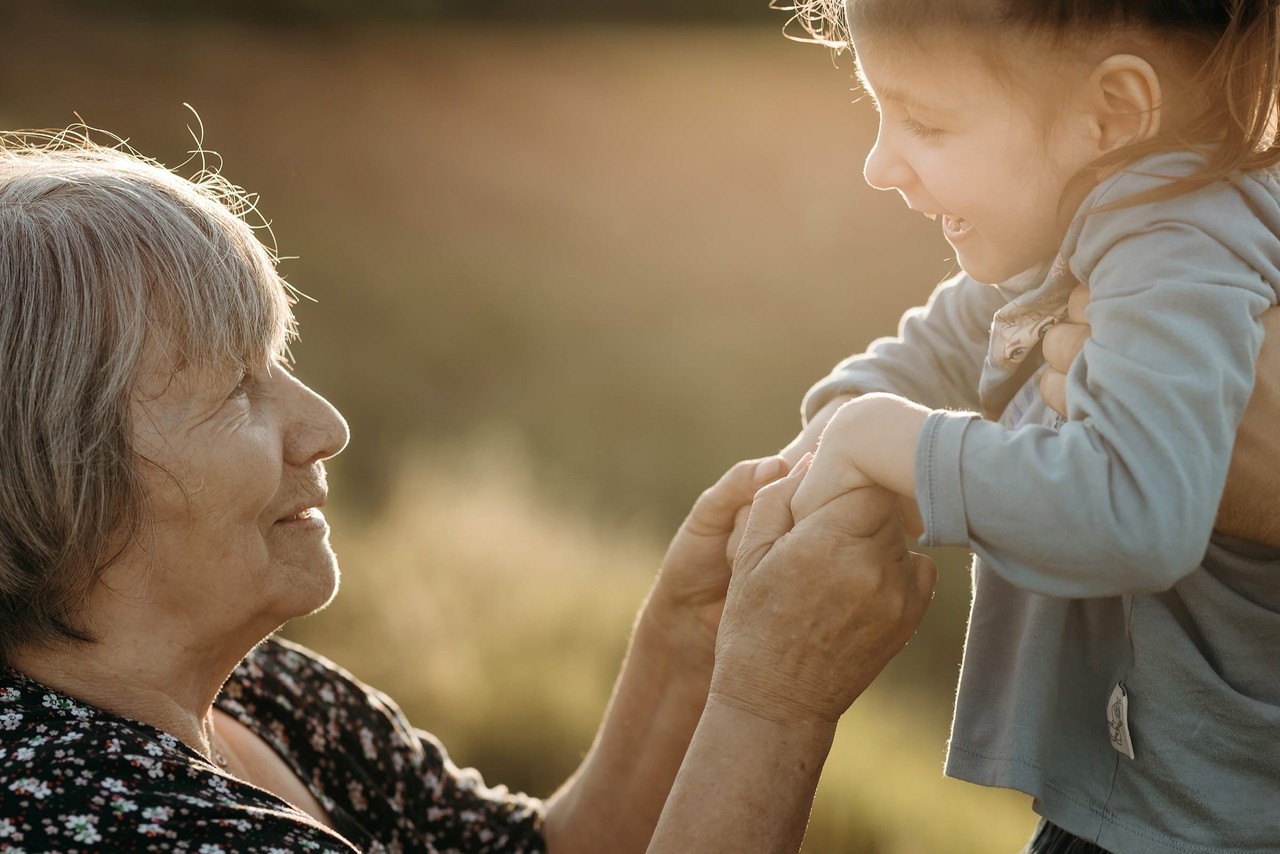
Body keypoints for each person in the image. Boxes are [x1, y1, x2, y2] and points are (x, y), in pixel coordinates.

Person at [0, 130, 937, 853]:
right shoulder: (108, 823)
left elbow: (526, 853)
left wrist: (693, 647)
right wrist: (773, 706)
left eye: (277, 361)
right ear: (64, 467)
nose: (325, 426)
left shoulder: (262, 694)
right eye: (234, 388)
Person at [766, 1, 1280, 852]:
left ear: (1113, 113)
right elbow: (954, 336)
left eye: (923, 121)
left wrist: (895, 443)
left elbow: (1133, 513)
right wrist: (820, 441)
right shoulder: (1112, 207)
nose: (879, 164)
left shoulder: (1178, 241)